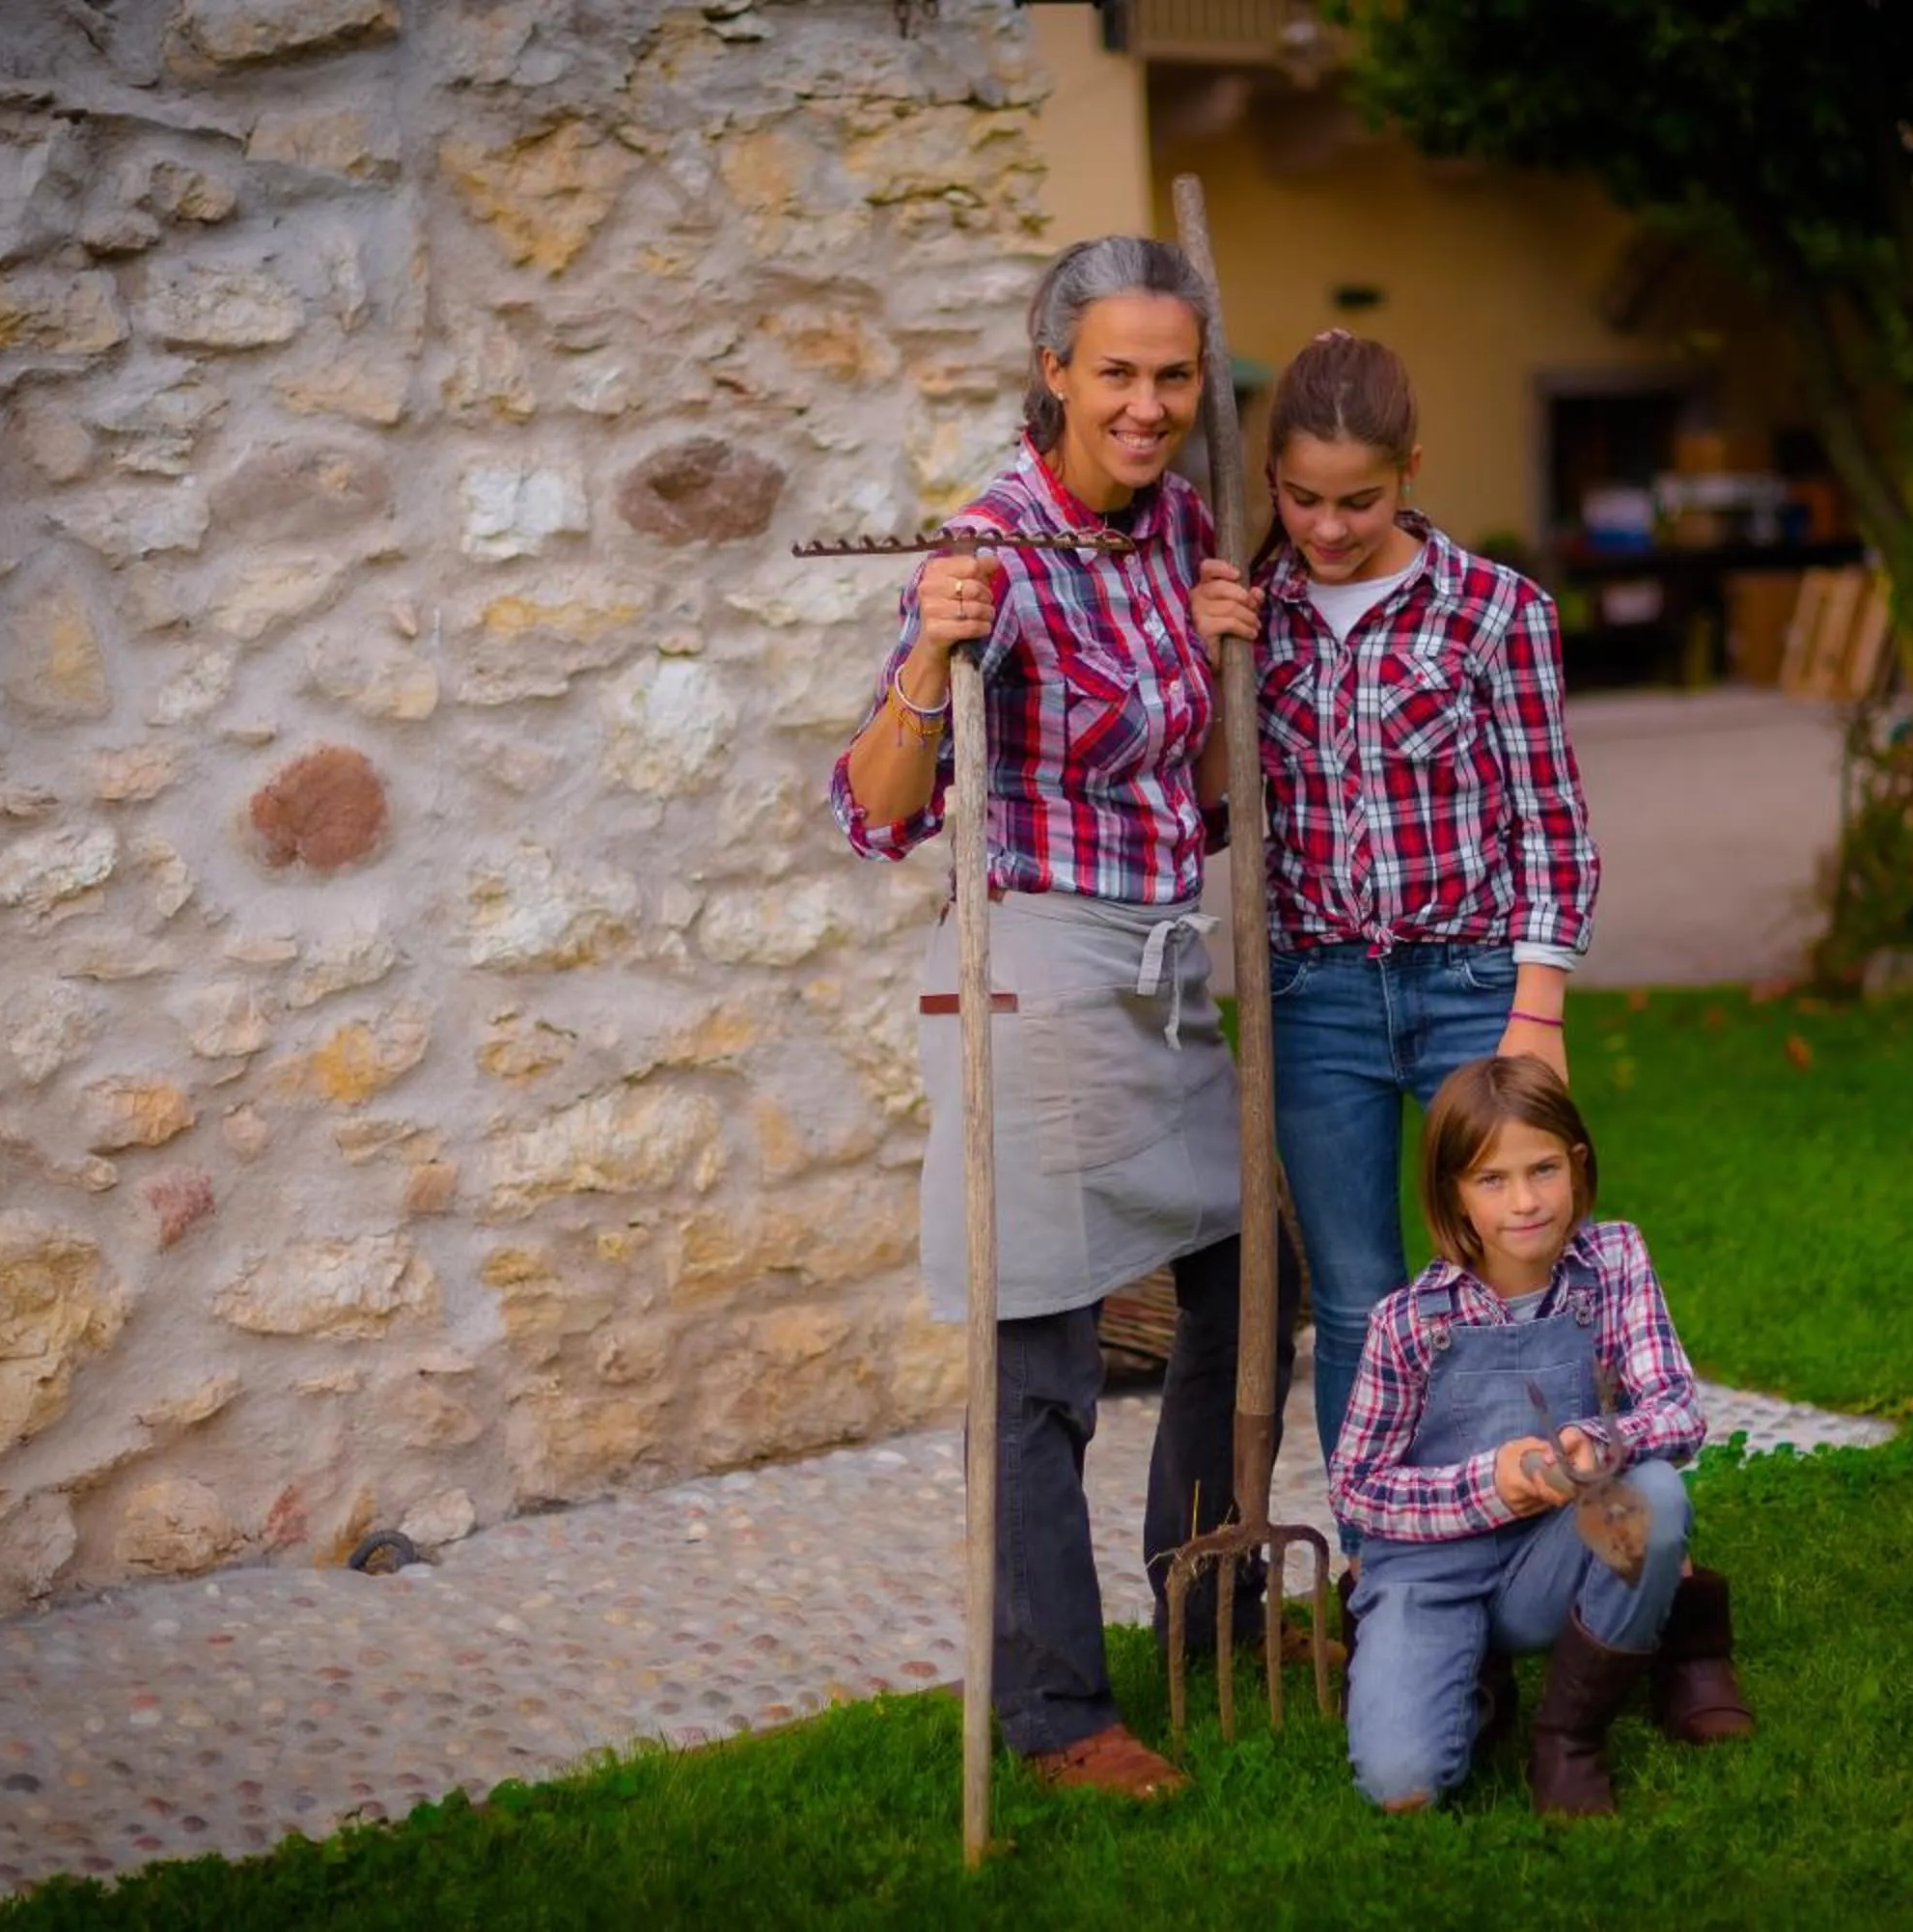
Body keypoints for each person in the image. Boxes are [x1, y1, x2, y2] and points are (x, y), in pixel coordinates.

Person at [829, 234, 1288, 1802]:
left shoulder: (1183, 529)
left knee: (1244, 1287)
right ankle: (1050, 1704)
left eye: (1173, 374)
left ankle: (1211, 1592)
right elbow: (874, 812)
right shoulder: (991, 549)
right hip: (1028, 970)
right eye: (1118, 374)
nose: (1150, 406)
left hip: (1161, 972)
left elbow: (1204, 798)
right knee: (1041, 1356)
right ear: (1053, 373)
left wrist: (1231, 649)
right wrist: (935, 654)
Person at [1189, 329, 1601, 1562]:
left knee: (1516, 1263)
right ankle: (1389, 1568)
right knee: (1363, 1301)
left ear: (1410, 468)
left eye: (1358, 500)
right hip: (1314, 999)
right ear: (1270, 479)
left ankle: (1561, 1542)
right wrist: (1217, 669)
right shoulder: (1250, 616)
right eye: (1300, 497)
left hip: (1471, 980)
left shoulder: (1495, 611)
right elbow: (1213, 807)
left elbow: (1551, 818)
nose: (1325, 526)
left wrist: (1539, 1010)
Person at [1329, 1055, 1755, 1816]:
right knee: (1404, 1788)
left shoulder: (1614, 1260)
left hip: (1551, 1553)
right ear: (1454, 1195)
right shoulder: (1408, 1323)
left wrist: (1596, 1443)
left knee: (1649, 1498)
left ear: (1577, 1165)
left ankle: (1568, 1737)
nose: (1525, 1202)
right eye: (1492, 1180)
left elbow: (1678, 1410)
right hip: (1432, 1571)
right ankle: (1466, 1680)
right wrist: (1489, 1482)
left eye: (1544, 1170)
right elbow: (1357, 1489)